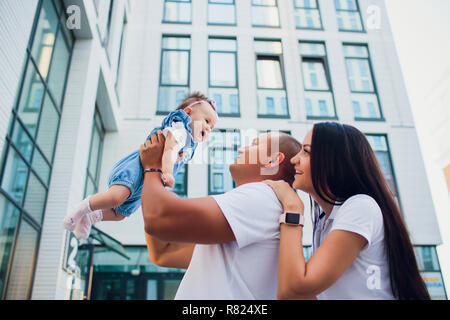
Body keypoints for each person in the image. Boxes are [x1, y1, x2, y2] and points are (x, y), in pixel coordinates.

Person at [264, 122, 430, 300]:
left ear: (334, 162)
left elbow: (295, 288)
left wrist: (292, 208)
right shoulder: (324, 221)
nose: (294, 159)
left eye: (307, 152)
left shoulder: (360, 207)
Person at [139, 130, 302, 299]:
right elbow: (164, 253)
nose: (241, 149)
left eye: (254, 145)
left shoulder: (262, 196)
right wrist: (155, 175)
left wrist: (153, 168)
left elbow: (158, 219)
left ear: (272, 160)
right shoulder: (259, 207)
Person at [62, 92, 218, 239]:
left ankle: (90, 217)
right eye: (206, 121)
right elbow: (170, 149)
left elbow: (174, 153)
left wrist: (178, 158)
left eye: (211, 128)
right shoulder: (179, 129)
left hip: (144, 181)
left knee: (121, 214)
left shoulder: (188, 144)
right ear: (188, 112)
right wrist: (168, 172)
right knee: (116, 198)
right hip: (135, 170)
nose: (208, 128)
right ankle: (80, 209)